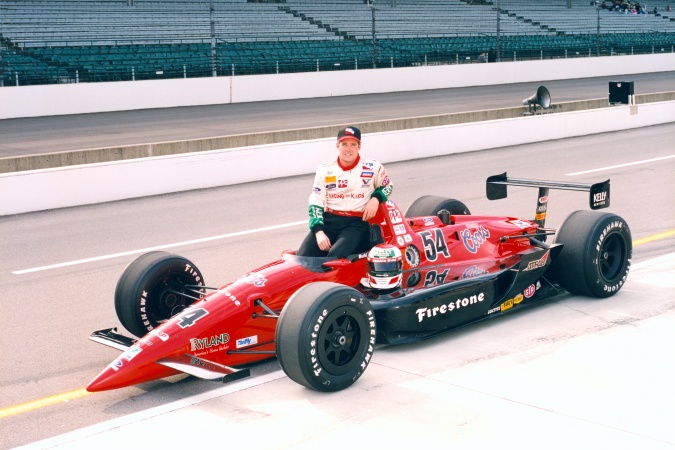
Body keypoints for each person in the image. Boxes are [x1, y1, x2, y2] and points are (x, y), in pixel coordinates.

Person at [297, 126, 393, 258]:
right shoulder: (324, 169)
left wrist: (376, 199)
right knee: (302, 258)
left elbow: (388, 186)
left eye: (353, 144)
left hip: (356, 224)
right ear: (337, 146)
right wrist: (319, 232)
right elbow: (316, 201)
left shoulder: (373, 167)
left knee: (333, 258)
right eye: (344, 144)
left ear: (359, 146)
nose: (348, 149)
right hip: (329, 221)